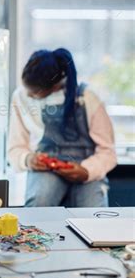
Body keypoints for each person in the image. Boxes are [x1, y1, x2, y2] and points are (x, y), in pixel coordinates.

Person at [8, 48, 116, 207]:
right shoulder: (21, 96)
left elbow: (108, 152)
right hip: (46, 168)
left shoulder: (88, 97)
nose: (29, 95)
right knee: (39, 203)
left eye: (34, 92)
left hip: (87, 165)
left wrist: (86, 171)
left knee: (94, 215)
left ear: (55, 86)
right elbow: (15, 147)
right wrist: (28, 159)